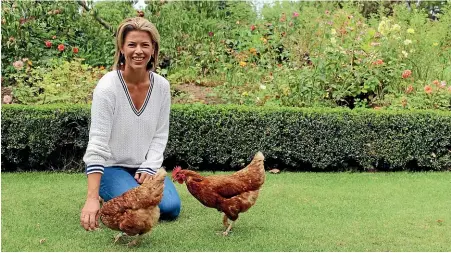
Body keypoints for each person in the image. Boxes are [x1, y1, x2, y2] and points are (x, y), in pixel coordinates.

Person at [80, 17, 181, 231]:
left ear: (153, 49)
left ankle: (125, 192)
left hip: (144, 166)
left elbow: (160, 134)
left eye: (145, 45)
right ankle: (103, 193)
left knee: (171, 208)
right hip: (111, 167)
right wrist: (90, 198)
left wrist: (150, 165)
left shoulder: (162, 87)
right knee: (136, 210)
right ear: (122, 47)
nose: (138, 51)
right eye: (132, 44)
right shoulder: (108, 87)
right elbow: (97, 142)